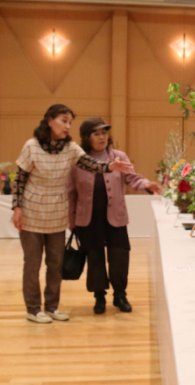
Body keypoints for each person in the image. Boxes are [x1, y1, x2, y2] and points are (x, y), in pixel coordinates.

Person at [12, 104, 134, 324]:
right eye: (63, 120)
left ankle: (51, 307)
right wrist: (17, 208)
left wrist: (110, 166)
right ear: (49, 120)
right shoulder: (31, 146)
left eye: (70, 122)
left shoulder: (70, 148)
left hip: (57, 213)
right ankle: (33, 308)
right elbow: (19, 179)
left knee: (56, 263)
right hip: (32, 212)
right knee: (32, 263)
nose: (67, 126)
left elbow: (91, 163)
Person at [67, 117, 162, 315]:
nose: (102, 137)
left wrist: (146, 185)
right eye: (96, 133)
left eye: (104, 132)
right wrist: (71, 220)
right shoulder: (78, 160)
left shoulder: (118, 156)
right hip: (88, 219)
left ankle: (120, 295)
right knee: (95, 259)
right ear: (86, 137)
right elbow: (70, 193)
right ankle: (99, 296)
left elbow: (132, 178)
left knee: (120, 256)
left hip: (115, 217)